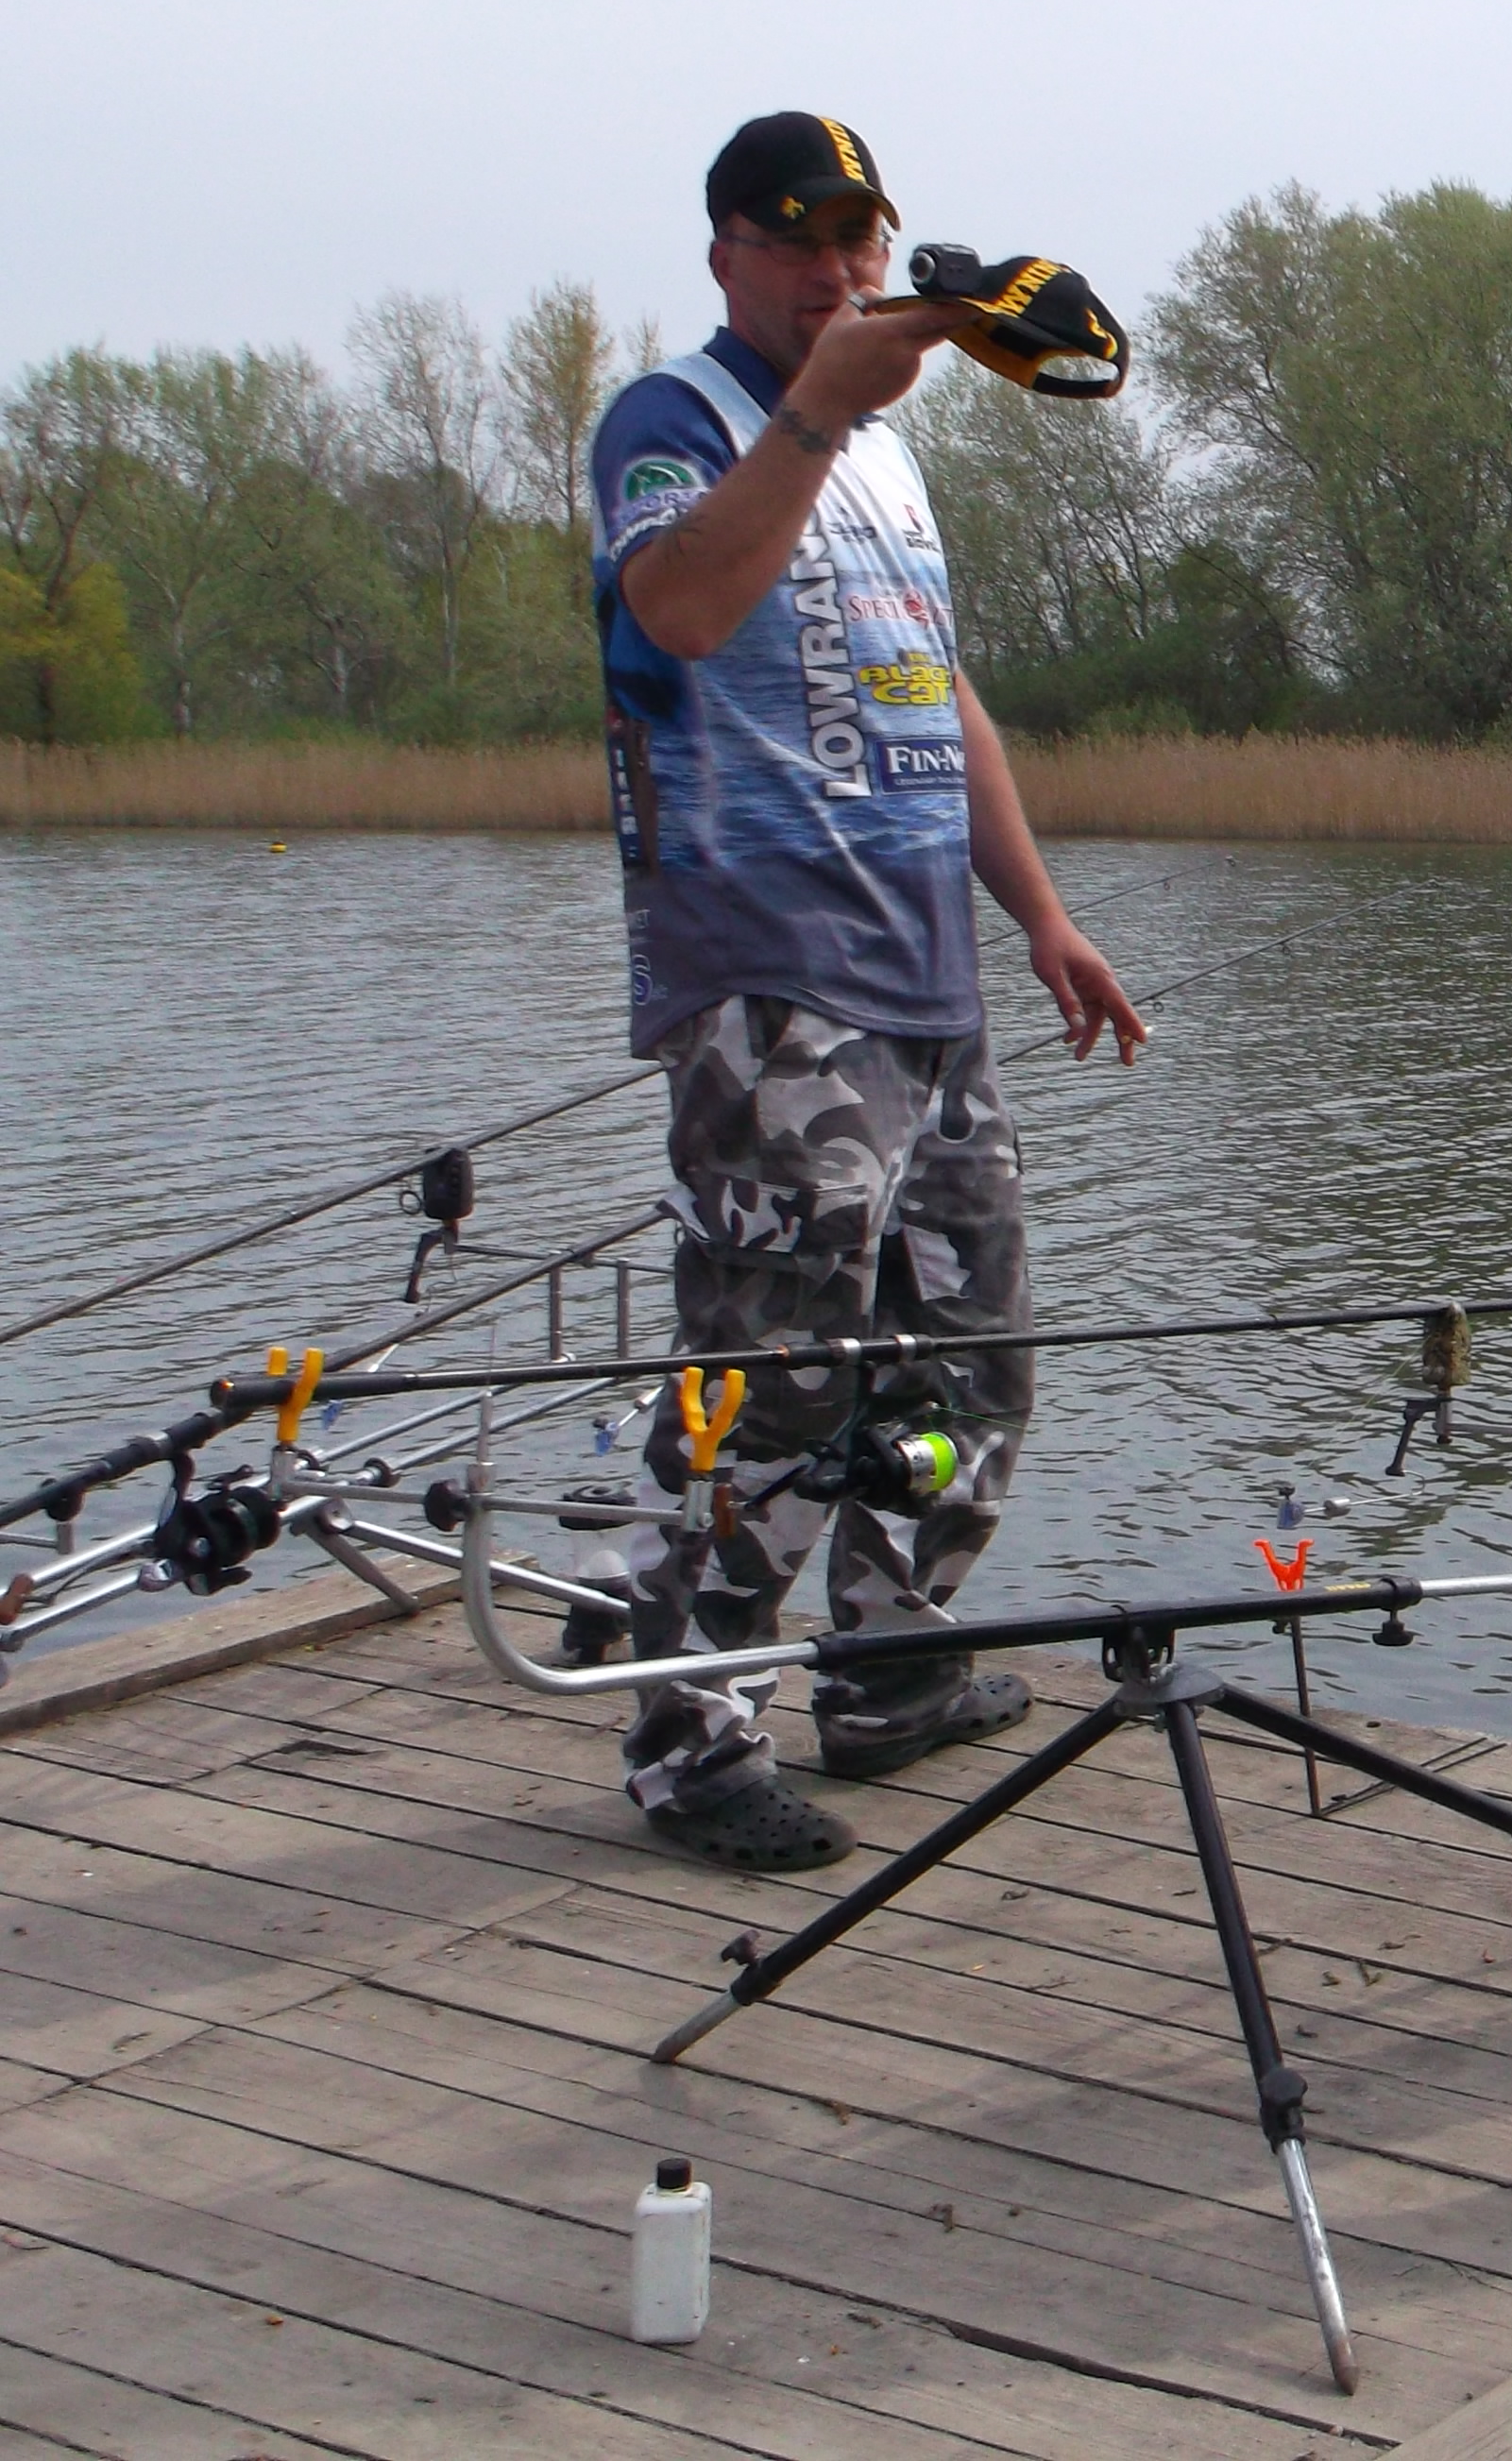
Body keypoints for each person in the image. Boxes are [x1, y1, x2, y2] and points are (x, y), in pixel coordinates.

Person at [586, 110, 1147, 1872]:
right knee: (774, 1372)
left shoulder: (892, 461)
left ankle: (893, 1670)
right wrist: (818, 411)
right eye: (800, 238)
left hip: (929, 978)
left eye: (863, 239)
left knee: (974, 1352)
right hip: (767, 977)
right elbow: (677, 611)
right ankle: (690, 1738)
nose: (838, 270)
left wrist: (1042, 915)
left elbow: (940, 691)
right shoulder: (675, 420)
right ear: (727, 255)